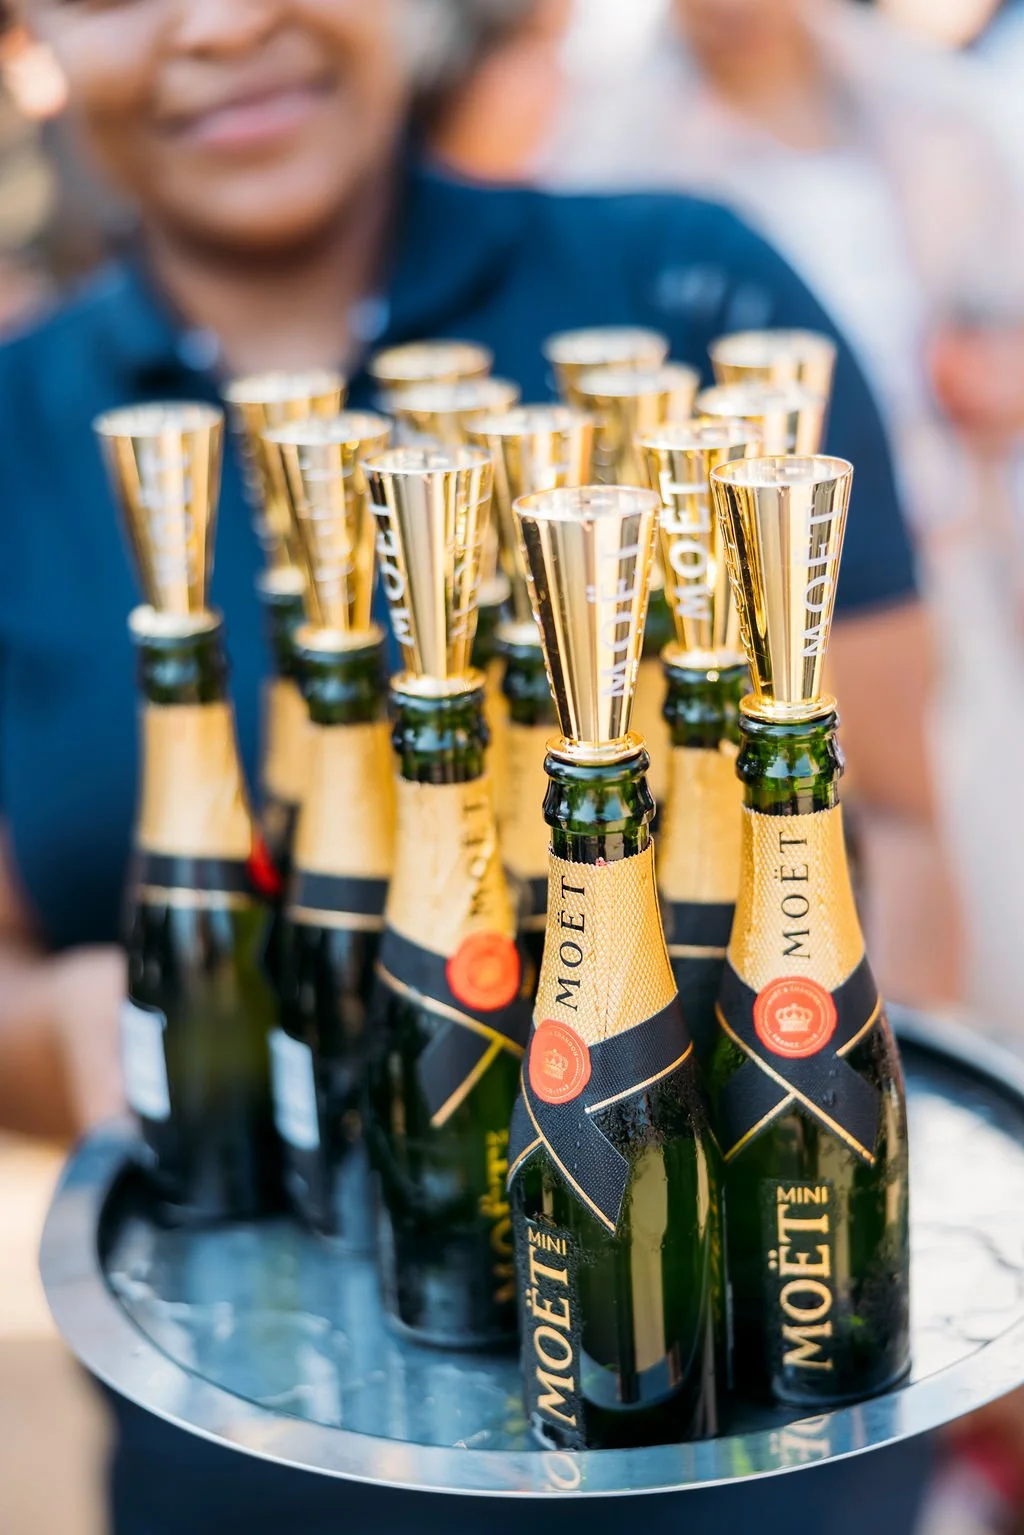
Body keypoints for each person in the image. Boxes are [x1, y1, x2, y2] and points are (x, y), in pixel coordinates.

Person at [0, 0, 935, 1531]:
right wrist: (95, 1028)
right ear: (25, 35)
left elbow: (902, 813)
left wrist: (878, 1223)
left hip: (758, 1469)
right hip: (264, 1452)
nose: (224, 22)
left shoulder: (692, 279)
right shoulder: (12, 422)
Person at [485, 0, 1024, 1028]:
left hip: (949, 565)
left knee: (987, 899)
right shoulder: (605, 134)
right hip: (740, 611)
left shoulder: (925, 103)